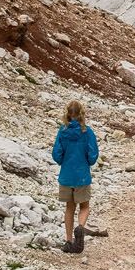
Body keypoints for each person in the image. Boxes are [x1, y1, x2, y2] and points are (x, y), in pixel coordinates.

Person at [51, 100, 99, 254]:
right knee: (84, 206)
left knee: (69, 208)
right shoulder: (87, 132)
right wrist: (87, 162)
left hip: (66, 175)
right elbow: (93, 155)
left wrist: (63, 161)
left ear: (67, 114)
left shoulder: (62, 131)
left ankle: (68, 241)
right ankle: (80, 227)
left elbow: (56, 154)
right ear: (81, 114)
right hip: (82, 176)